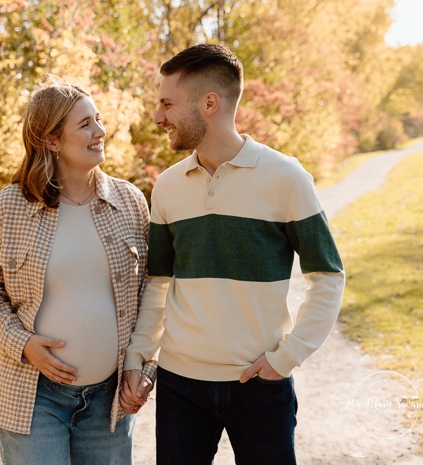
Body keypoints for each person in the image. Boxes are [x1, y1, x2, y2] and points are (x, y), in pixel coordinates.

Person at [119, 43, 345, 465]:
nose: (157, 117)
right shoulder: (167, 186)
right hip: (180, 382)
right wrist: (138, 356)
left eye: (167, 103)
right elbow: (158, 284)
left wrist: (287, 357)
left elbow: (328, 276)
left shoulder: (286, 178)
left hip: (259, 384)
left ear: (210, 103)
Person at [0, 76, 154, 465]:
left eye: (98, 119)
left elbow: (151, 293)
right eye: (85, 124)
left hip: (109, 401)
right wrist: (23, 344)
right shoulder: (8, 207)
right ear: (51, 140)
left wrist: (145, 367)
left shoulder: (130, 201)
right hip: (32, 397)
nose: (100, 131)